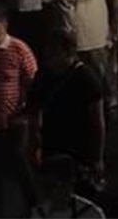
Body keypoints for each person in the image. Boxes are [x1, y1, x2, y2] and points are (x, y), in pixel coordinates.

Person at [27, 29, 106, 197]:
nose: (49, 56)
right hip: (52, 145)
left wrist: (97, 157)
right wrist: (34, 145)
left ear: (67, 51)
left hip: (80, 148)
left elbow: (97, 120)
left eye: (53, 51)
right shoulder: (43, 75)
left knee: (81, 196)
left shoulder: (86, 77)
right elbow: (34, 111)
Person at [0, 1, 37, 218]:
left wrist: (26, 115)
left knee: (20, 167)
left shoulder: (18, 49)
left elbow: (33, 84)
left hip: (13, 122)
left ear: (4, 24)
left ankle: (34, 208)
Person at [29, 155, 105, 219]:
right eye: (46, 186)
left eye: (53, 186)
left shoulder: (91, 214)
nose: (51, 193)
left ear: (70, 184)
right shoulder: (36, 214)